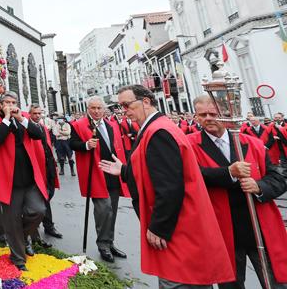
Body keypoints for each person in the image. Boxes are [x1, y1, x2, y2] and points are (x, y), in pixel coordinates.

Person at [100, 85, 235, 288]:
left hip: (178, 231)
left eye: (126, 104)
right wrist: (126, 171)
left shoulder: (158, 131)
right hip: (180, 228)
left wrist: (159, 228)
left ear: (146, 101)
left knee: (180, 282)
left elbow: (170, 184)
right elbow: (154, 170)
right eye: (120, 106)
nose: (123, 110)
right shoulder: (156, 127)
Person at [189, 95, 287, 288]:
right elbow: (191, 176)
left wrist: (260, 186)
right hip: (222, 230)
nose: (208, 118)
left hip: (259, 227)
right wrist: (228, 173)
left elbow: (278, 178)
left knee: (276, 283)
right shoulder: (189, 145)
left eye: (213, 113)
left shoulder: (252, 143)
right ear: (196, 117)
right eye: (203, 114)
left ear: (225, 115)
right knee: (230, 285)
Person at [0, 91, 46, 270]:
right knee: (12, 219)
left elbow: (38, 134)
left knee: (38, 210)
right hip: (9, 179)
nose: (10, 105)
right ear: (0, 105)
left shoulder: (22, 117)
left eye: (13, 102)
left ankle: (22, 238)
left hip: (29, 177)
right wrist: (7, 117)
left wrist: (22, 119)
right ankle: (18, 258)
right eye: (6, 102)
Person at [69, 96, 129, 262]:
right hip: (96, 172)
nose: (96, 111)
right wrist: (86, 145)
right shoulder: (78, 125)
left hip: (113, 172)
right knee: (104, 210)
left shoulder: (111, 125)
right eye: (92, 108)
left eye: (98, 108)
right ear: (88, 109)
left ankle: (110, 242)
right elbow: (72, 144)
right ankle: (102, 244)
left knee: (112, 211)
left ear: (104, 109)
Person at [29, 104, 62, 242]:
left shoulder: (43, 127)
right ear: (30, 114)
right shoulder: (28, 128)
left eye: (39, 113)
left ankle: (47, 225)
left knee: (48, 196)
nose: (37, 116)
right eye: (35, 113)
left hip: (48, 167)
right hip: (37, 169)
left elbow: (48, 147)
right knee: (41, 200)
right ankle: (41, 228)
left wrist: (54, 164)